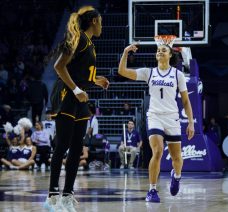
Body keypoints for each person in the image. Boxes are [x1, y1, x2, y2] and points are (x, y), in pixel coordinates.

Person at [44, 6, 109, 212]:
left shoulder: (89, 43)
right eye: (100, 21)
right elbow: (59, 66)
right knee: (62, 146)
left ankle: (67, 196)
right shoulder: (79, 38)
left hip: (79, 98)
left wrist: (96, 81)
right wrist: (76, 89)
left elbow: (79, 72)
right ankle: (52, 197)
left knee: (76, 149)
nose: (102, 26)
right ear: (94, 22)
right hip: (66, 95)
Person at [118, 42, 195, 202]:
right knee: (158, 151)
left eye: (164, 50)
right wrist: (126, 52)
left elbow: (186, 101)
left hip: (172, 117)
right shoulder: (149, 72)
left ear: (170, 55)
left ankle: (177, 176)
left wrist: (190, 122)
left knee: (176, 158)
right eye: (158, 50)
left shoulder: (177, 74)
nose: (160, 52)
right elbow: (122, 72)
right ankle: (152, 190)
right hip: (154, 116)